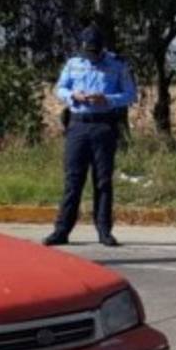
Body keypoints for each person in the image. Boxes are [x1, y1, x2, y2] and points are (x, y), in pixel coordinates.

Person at [44, 25, 136, 247]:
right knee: (73, 180)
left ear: (102, 48)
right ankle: (62, 230)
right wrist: (73, 95)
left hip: (104, 125)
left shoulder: (118, 65)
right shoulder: (73, 64)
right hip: (78, 125)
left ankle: (104, 231)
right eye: (88, 52)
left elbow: (131, 94)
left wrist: (108, 99)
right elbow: (60, 88)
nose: (92, 57)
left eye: (95, 52)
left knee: (103, 181)